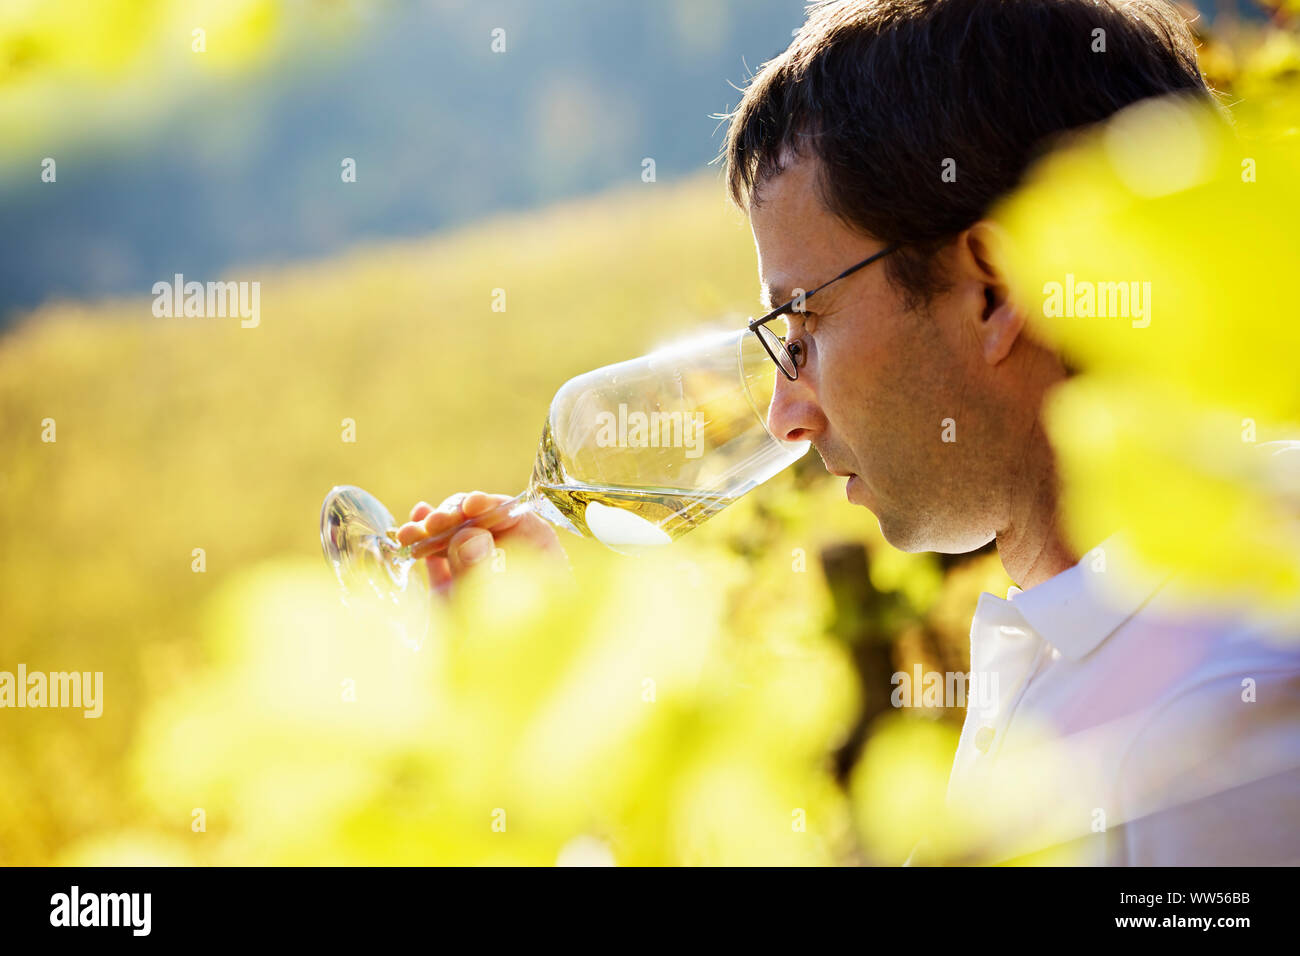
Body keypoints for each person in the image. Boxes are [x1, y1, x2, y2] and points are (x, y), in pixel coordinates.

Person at [397, 0, 1300, 864]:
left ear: (995, 289)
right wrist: (559, 691)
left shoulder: (1218, 727)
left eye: (807, 325)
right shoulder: (1087, 652)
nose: (789, 416)